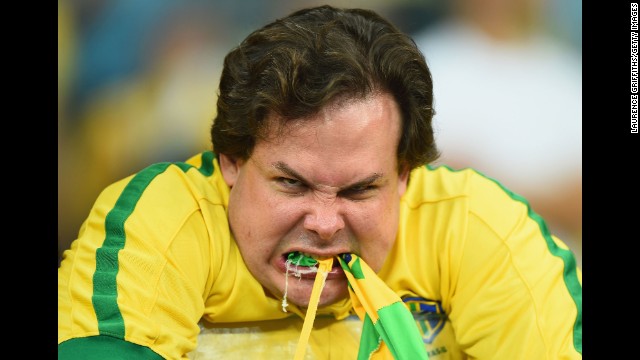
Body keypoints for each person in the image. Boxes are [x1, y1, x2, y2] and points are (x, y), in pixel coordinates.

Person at [58, 5, 582, 359]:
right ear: (231, 162)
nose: (326, 225)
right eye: (292, 183)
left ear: (404, 175)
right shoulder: (160, 224)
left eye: (359, 190)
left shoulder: (478, 229)